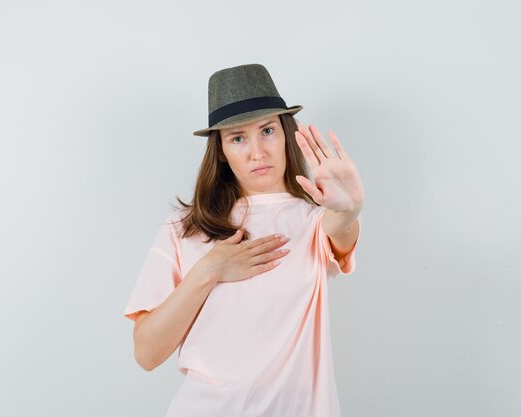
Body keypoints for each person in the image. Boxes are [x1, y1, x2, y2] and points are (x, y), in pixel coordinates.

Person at [123, 63, 365, 417]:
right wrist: (209, 271)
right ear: (220, 150)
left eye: (267, 130)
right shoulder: (184, 228)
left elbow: (341, 231)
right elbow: (146, 354)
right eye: (238, 138)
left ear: (286, 133)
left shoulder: (315, 220)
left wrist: (352, 209)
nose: (257, 152)